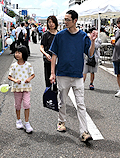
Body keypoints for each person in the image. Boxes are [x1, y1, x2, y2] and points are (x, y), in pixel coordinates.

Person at [49, 10, 97, 142]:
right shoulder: (60, 36)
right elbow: (54, 55)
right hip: (62, 74)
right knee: (62, 101)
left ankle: (84, 132)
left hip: (78, 75)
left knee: (81, 104)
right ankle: (61, 121)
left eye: (67, 20)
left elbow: (90, 53)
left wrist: (92, 41)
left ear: (75, 20)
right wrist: (52, 73)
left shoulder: (83, 36)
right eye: (64, 20)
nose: (65, 22)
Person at [8, 45, 35, 133]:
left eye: (19, 53)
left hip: (26, 88)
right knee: (18, 105)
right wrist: (15, 80)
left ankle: (27, 122)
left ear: (24, 54)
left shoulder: (28, 65)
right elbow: (9, 76)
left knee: (27, 104)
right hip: (17, 88)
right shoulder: (13, 66)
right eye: (16, 52)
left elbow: (32, 74)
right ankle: (18, 120)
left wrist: (29, 79)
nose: (17, 54)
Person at [40, 15, 58, 90]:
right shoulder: (45, 35)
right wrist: (46, 54)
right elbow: (41, 47)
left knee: (58, 80)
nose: (51, 24)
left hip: (58, 60)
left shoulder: (59, 35)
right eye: (49, 22)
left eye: (53, 22)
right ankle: (48, 96)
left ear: (56, 23)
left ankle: (56, 94)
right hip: (48, 59)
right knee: (48, 80)